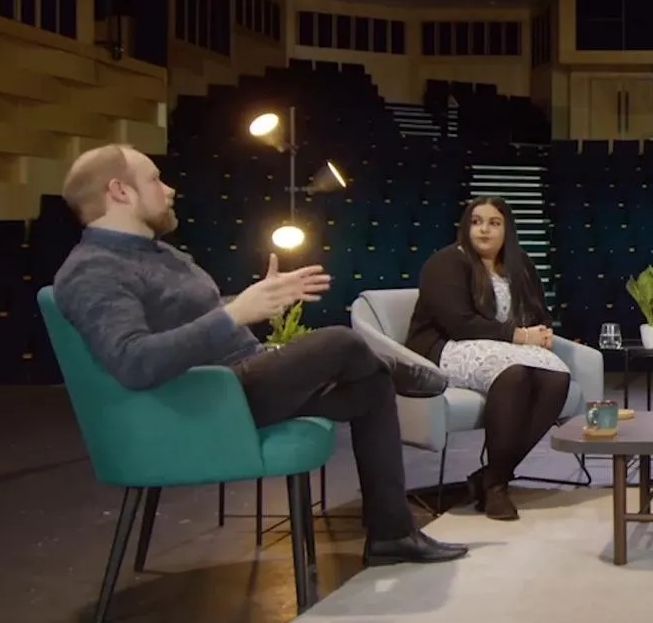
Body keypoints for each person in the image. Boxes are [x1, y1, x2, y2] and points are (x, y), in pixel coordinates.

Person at [51, 143, 468, 566]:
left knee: (371, 388)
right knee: (340, 341)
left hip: (241, 381)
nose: (170, 189)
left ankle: (392, 535)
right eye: (155, 179)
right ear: (120, 192)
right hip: (206, 401)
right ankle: (400, 370)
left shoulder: (161, 254)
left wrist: (259, 301)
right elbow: (133, 362)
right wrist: (234, 315)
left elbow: (193, 319)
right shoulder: (93, 269)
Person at [405, 197, 572, 521]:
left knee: (557, 377)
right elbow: (459, 323)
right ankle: (496, 489)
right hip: (447, 346)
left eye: (494, 222)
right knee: (515, 374)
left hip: (500, 347)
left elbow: (540, 311)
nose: (484, 229)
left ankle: (492, 475)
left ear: (506, 229)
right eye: (476, 221)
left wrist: (544, 333)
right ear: (466, 226)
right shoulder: (446, 263)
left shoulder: (519, 264)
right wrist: (522, 337)